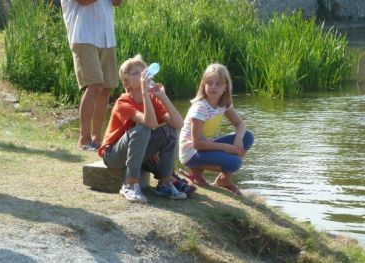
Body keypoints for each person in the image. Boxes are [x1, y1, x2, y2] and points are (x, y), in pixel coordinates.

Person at [56, 0, 132, 150]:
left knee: (106, 87)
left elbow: (116, 2)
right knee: (94, 85)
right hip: (84, 35)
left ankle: (98, 139)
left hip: (106, 36)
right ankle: (83, 139)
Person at [98, 55, 187, 203]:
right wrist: (146, 92)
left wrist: (163, 97)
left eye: (144, 71)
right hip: (113, 155)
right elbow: (149, 123)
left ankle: (165, 184)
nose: (142, 76)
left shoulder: (153, 100)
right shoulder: (123, 101)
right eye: (136, 73)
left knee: (170, 130)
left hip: (136, 148)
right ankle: (130, 185)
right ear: (126, 83)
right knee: (143, 129)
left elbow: (178, 124)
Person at [179, 64, 254, 195]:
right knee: (235, 163)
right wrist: (226, 148)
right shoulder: (200, 108)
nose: (213, 86)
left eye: (218, 83)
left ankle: (223, 180)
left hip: (206, 146)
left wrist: (238, 139)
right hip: (191, 152)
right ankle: (196, 169)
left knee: (248, 136)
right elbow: (197, 143)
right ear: (203, 85)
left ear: (225, 87)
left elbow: (240, 125)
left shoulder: (224, 104)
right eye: (209, 82)